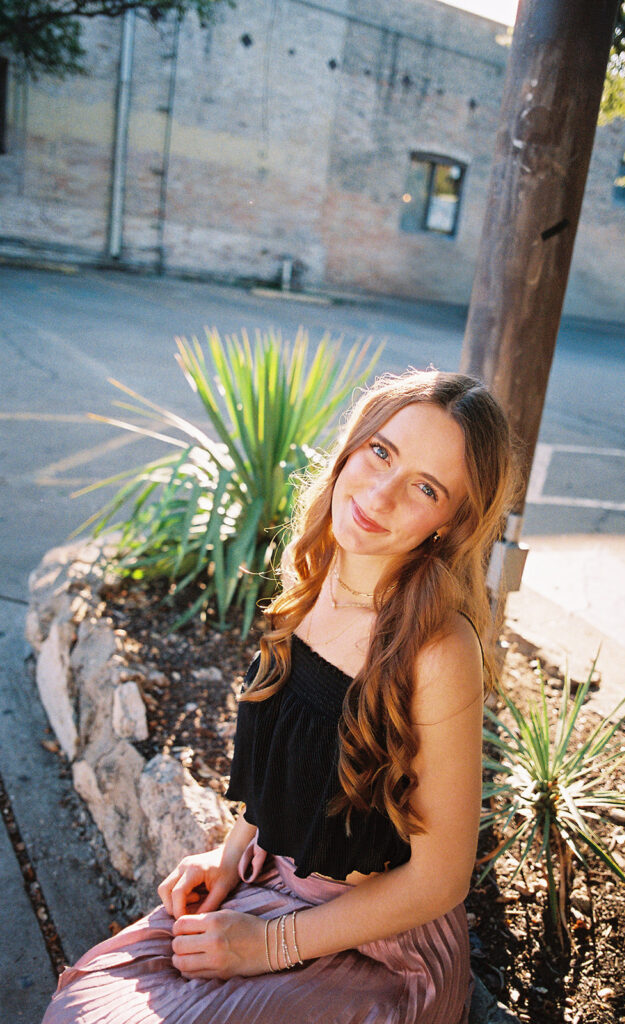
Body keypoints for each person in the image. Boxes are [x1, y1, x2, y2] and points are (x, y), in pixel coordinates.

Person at [42, 369, 513, 1024]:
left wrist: (269, 944)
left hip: (378, 949)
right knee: (82, 1007)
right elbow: (289, 761)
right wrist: (230, 855)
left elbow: (440, 880)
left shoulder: (438, 649)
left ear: (452, 522)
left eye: (425, 487)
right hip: (273, 884)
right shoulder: (316, 576)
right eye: (381, 451)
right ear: (353, 446)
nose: (380, 494)